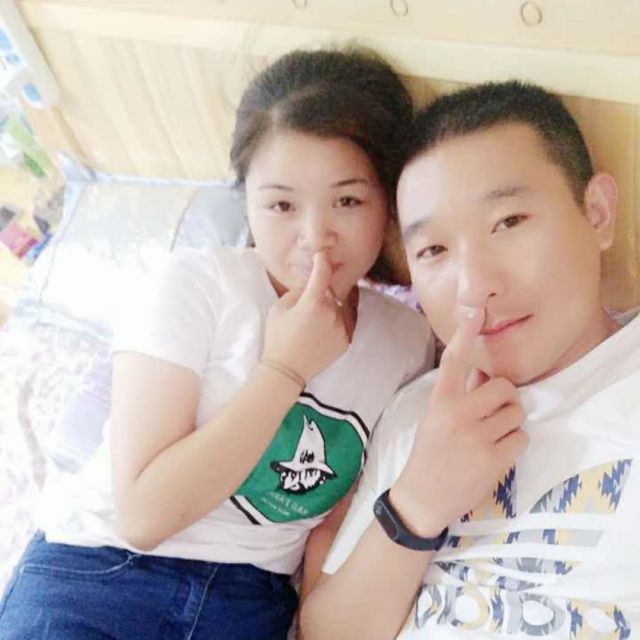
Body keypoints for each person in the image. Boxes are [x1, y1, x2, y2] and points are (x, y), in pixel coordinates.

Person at [0, 48, 435, 640]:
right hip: (103, 571)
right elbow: (144, 516)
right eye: (281, 205)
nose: (314, 237)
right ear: (247, 199)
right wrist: (284, 369)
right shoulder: (195, 284)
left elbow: (337, 522)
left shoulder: (406, 340)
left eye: (348, 201)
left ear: (389, 201)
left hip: (250, 601)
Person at [301, 80, 640, 640]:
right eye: (434, 250)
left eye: (509, 222)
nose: (474, 286)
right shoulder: (416, 410)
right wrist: (415, 506)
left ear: (597, 212)